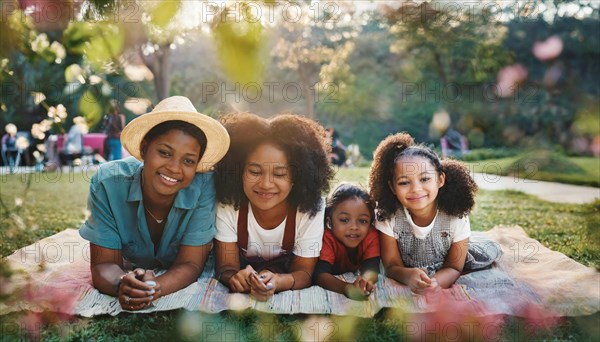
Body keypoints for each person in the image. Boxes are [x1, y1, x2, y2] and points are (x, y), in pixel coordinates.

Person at [78, 96, 230, 311]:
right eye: (165, 153)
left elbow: (191, 264)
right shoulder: (108, 183)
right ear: (144, 148)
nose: (175, 168)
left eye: (188, 161)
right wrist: (122, 283)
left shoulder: (204, 186)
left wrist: (153, 288)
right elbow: (104, 264)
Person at [214, 112, 334, 301]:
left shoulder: (310, 207)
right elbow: (225, 267)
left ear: (298, 177)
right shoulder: (229, 203)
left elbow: (303, 274)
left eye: (279, 174)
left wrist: (278, 281)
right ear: (238, 171)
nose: (266, 184)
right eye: (255, 171)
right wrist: (234, 278)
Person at [369, 133, 500, 294]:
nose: (416, 188)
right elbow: (391, 265)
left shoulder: (455, 216)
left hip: (446, 266)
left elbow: (454, 266)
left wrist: (435, 283)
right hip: (408, 268)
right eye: (404, 182)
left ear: (440, 180)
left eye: (424, 179)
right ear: (392, 187)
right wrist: (407, 275)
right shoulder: (387, 216)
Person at [314, 183, 380, 300]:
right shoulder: (327, 237)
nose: (354, 227)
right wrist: (347, 288)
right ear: (329, 222)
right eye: (344, 220)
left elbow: (372, 268)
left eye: (363, 221)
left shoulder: (370, 235)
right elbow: (320, 275)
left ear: (370, 224)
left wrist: (365, 282)